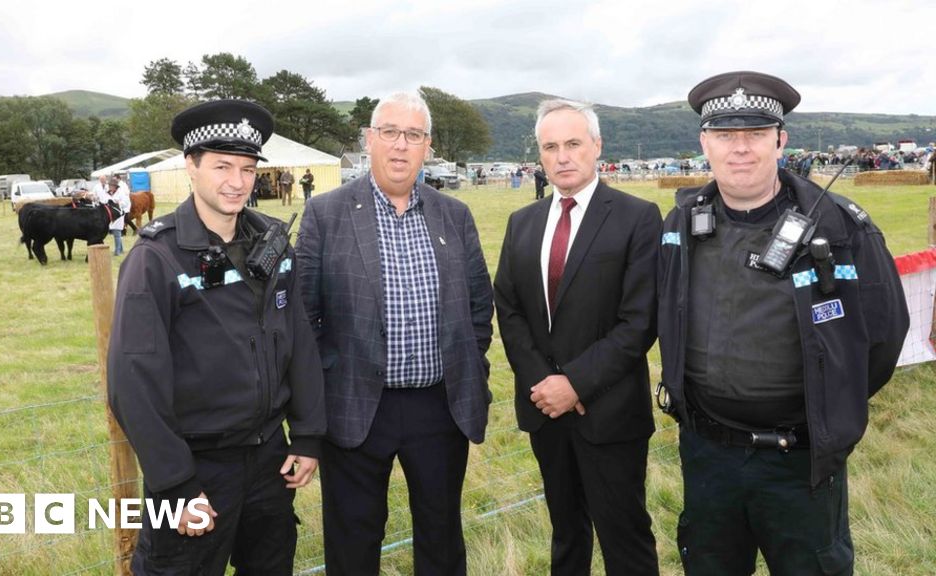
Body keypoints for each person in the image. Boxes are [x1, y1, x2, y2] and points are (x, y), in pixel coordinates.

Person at [656, 71, 910, 576]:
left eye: (754, 134)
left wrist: (829, 404)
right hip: (708, 455)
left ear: (780, 140)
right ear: (705, 142)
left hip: (801, 460)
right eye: (726, 135)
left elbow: (884, 336)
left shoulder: (839, 227)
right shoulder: (681, 224)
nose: (740, 149)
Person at [107, 99, 326, 576]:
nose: (237, 181)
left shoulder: (272, 240)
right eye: (222, 166)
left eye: (247, 168)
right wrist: (174, 485)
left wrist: (308, 435)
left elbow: (297, 340)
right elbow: (133, 380)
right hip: (195, 465)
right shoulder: (156, 259)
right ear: (191, 166)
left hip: (270, 458)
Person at [296, 91, 493, 576]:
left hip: (438, 407)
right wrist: (329, 380)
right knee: (354, 537)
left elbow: (477, 309)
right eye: (390, 132)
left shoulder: (455, 215)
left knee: (441, 533)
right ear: (369, 140)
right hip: (357, 406)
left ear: (427, 145)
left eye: (413, 135)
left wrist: (466, 370)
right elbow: (304, 316)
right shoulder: (327, 214)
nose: (400, 146)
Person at [493, 99, 661, 575]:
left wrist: (576, 385)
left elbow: (639, 321)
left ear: (597, 147)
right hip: (546, 411)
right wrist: (544, 384)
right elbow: (508, 309)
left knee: (624, 536)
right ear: (540, 155)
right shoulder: (521, 223)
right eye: (551, 147)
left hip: (609, 413)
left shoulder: (637, 217)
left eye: (572, 144)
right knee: (567, 534)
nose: (562, 157)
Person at [107, 177, 131, 256]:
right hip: (112, 215)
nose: (110, 187)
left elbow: (126, 203)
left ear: (115, 186)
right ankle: (121, 249)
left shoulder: (121, 193)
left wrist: (118, 203)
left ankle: (117, 251)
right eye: (109, 186)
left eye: (111, 186)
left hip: (118, 214)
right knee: (116, 233)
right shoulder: (109, 192)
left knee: (117, 232)